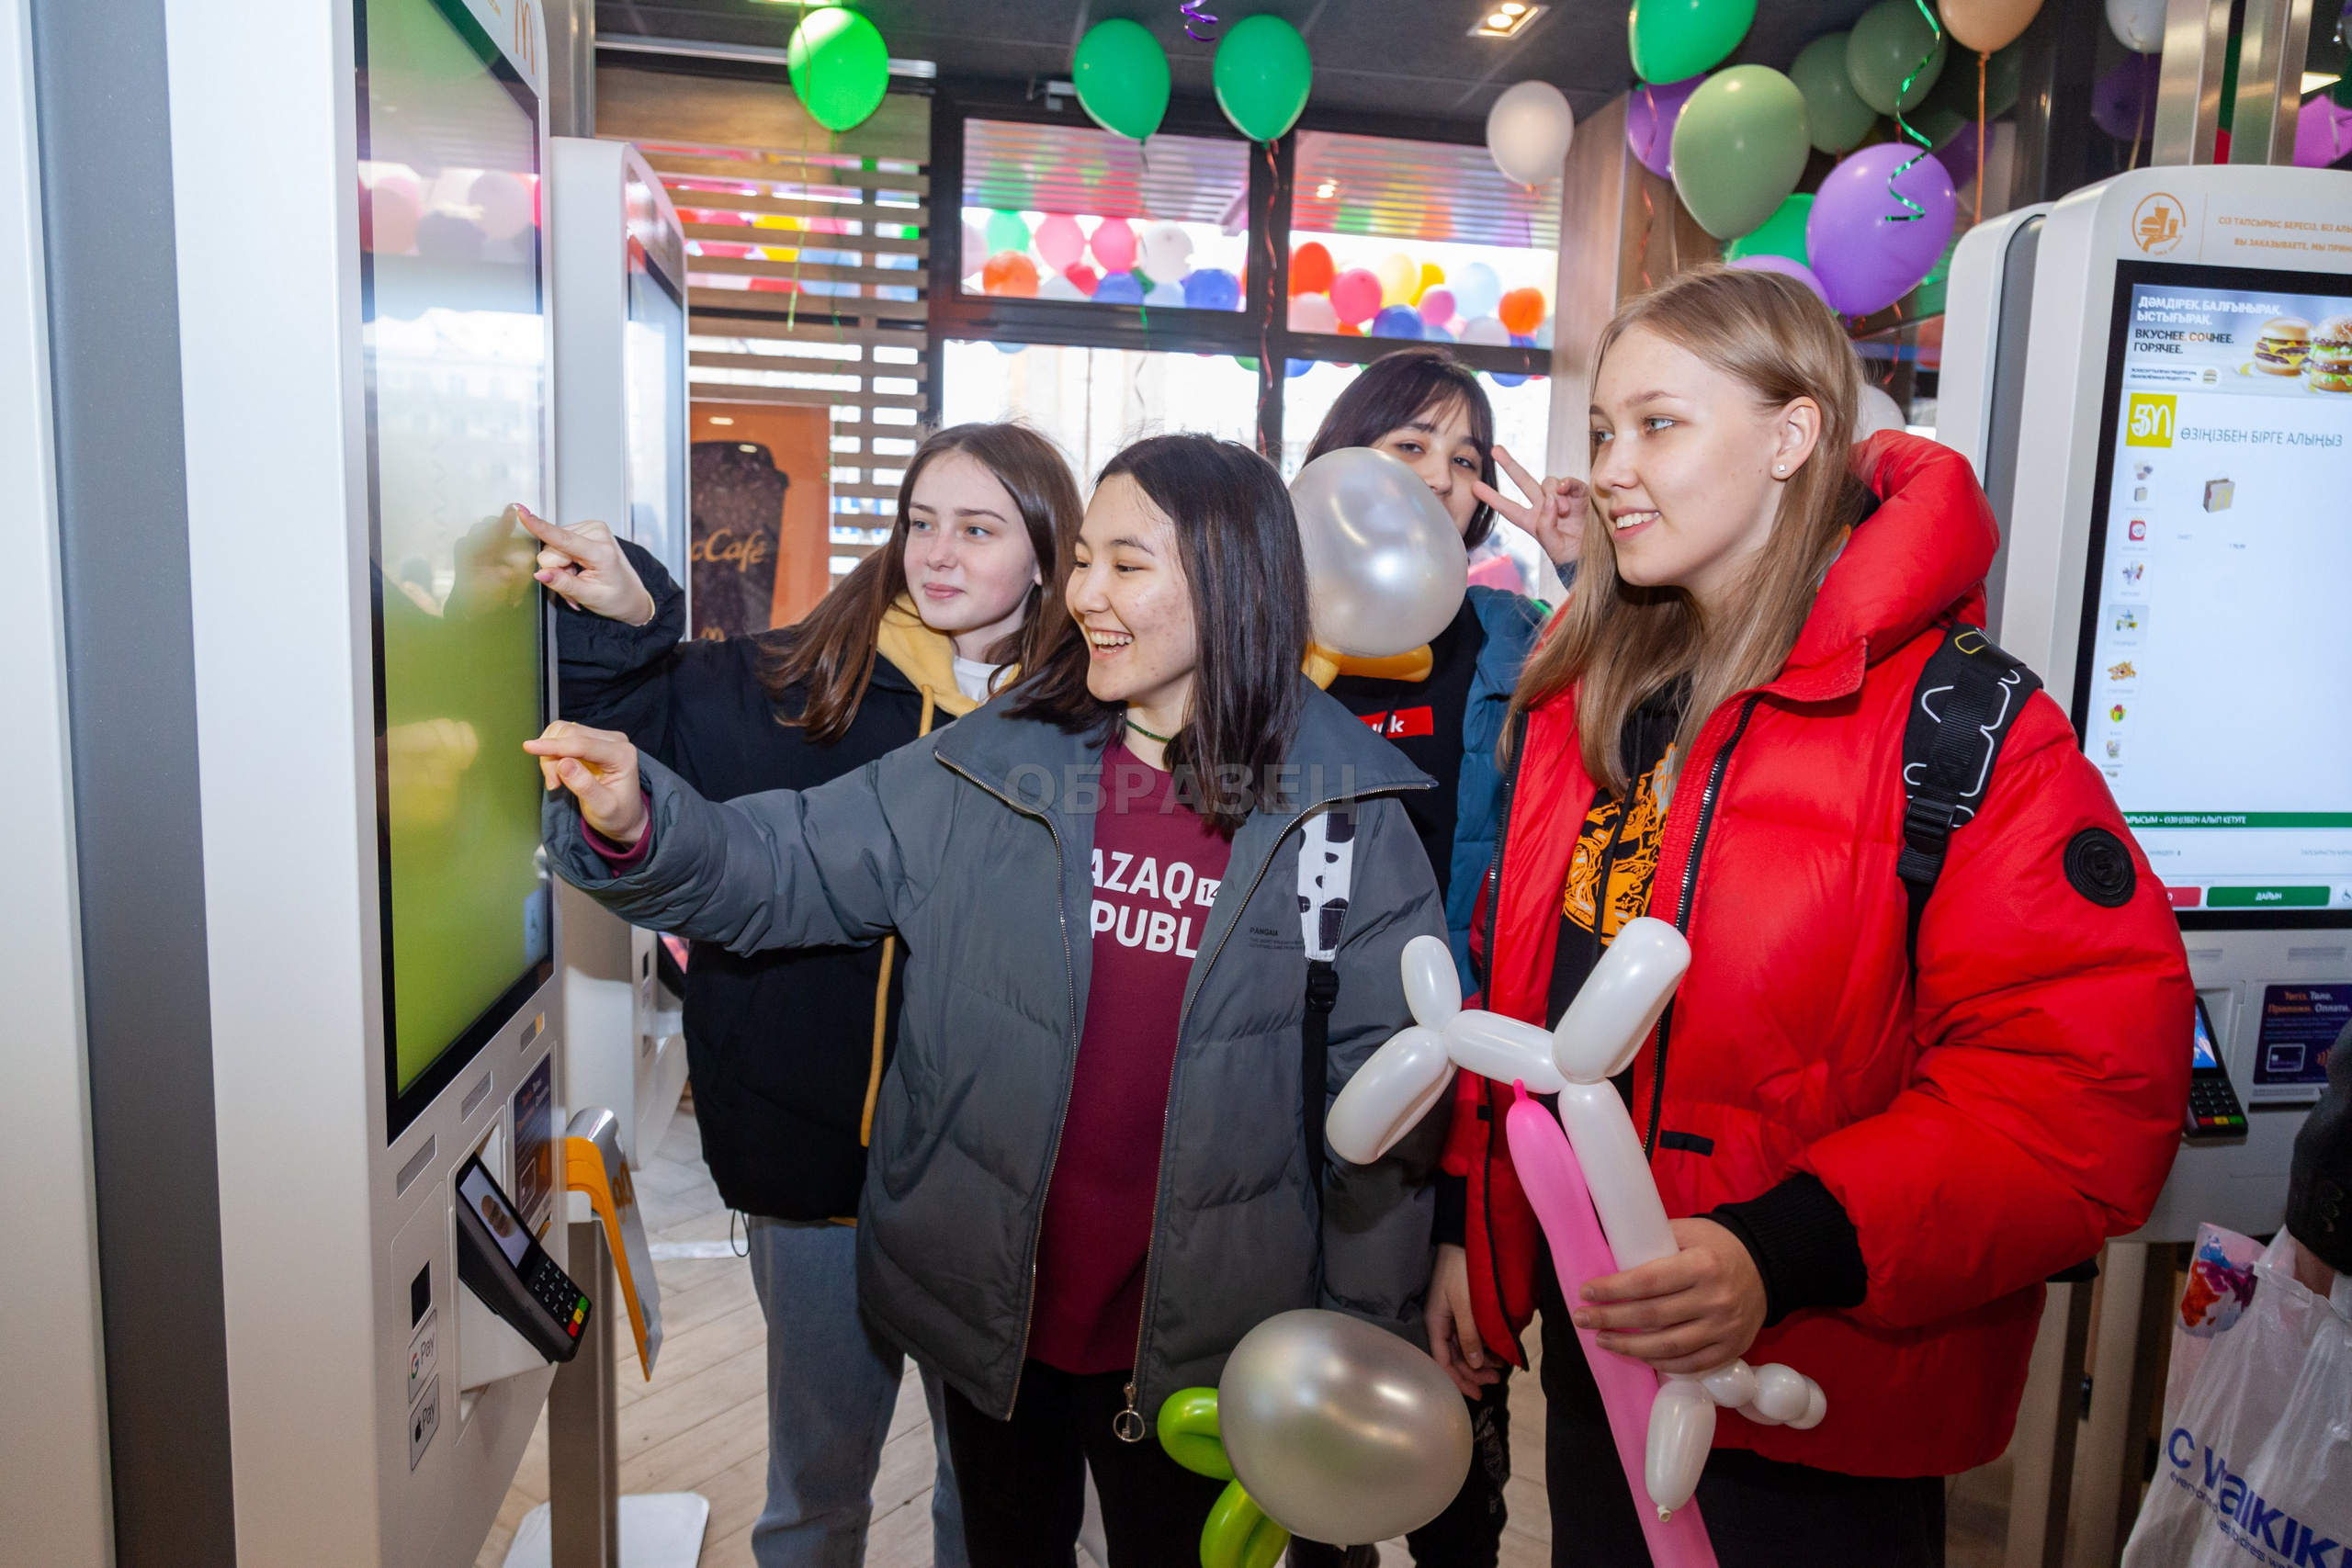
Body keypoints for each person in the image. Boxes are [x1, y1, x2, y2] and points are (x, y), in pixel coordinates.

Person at [528, 434, 1447, 1568]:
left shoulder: (1345, 814)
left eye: (1127, 564)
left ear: (1231, 579)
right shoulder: (991, 763)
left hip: (1218, 1343)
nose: (1085, 595)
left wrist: (1364, 1338)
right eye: (1085, 562)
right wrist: (638, 821)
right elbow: (786, 865)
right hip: (993, 1322)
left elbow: (1386, 1124)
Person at [1432, 265, 2193, 1566]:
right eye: (1603, 430)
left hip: (1816, 1399)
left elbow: (2083, 1087)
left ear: (1792, 435)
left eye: (1658, 424)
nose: (1612, 467)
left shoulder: (1960, 720)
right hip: (1605, 1361)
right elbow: (1527, 1005)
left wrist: (1778, 1251)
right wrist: (1475, 1233)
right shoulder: (1579, 695)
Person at [517, 422, 1084, 1568]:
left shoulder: (1086, 726)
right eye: (921, 522)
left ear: (1047, 554)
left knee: (992, 1504)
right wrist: (633, 610)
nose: (938, 553)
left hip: (996, 1189)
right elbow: (629, 726)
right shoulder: (799, 680)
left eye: (977, 528)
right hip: (811, 1165)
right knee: (815, 1491)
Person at [1289, 347, 1579, 1567]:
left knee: (1454, 1445)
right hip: (1267, 1091)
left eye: (1465, 460)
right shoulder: (1249, 645)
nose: (1440, 481)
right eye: (1410, 446)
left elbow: (1679, 707)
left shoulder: (1522, 643)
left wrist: (1590, 576)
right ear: (1335, 466)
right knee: (1307, 1441)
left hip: (1444, 1107)